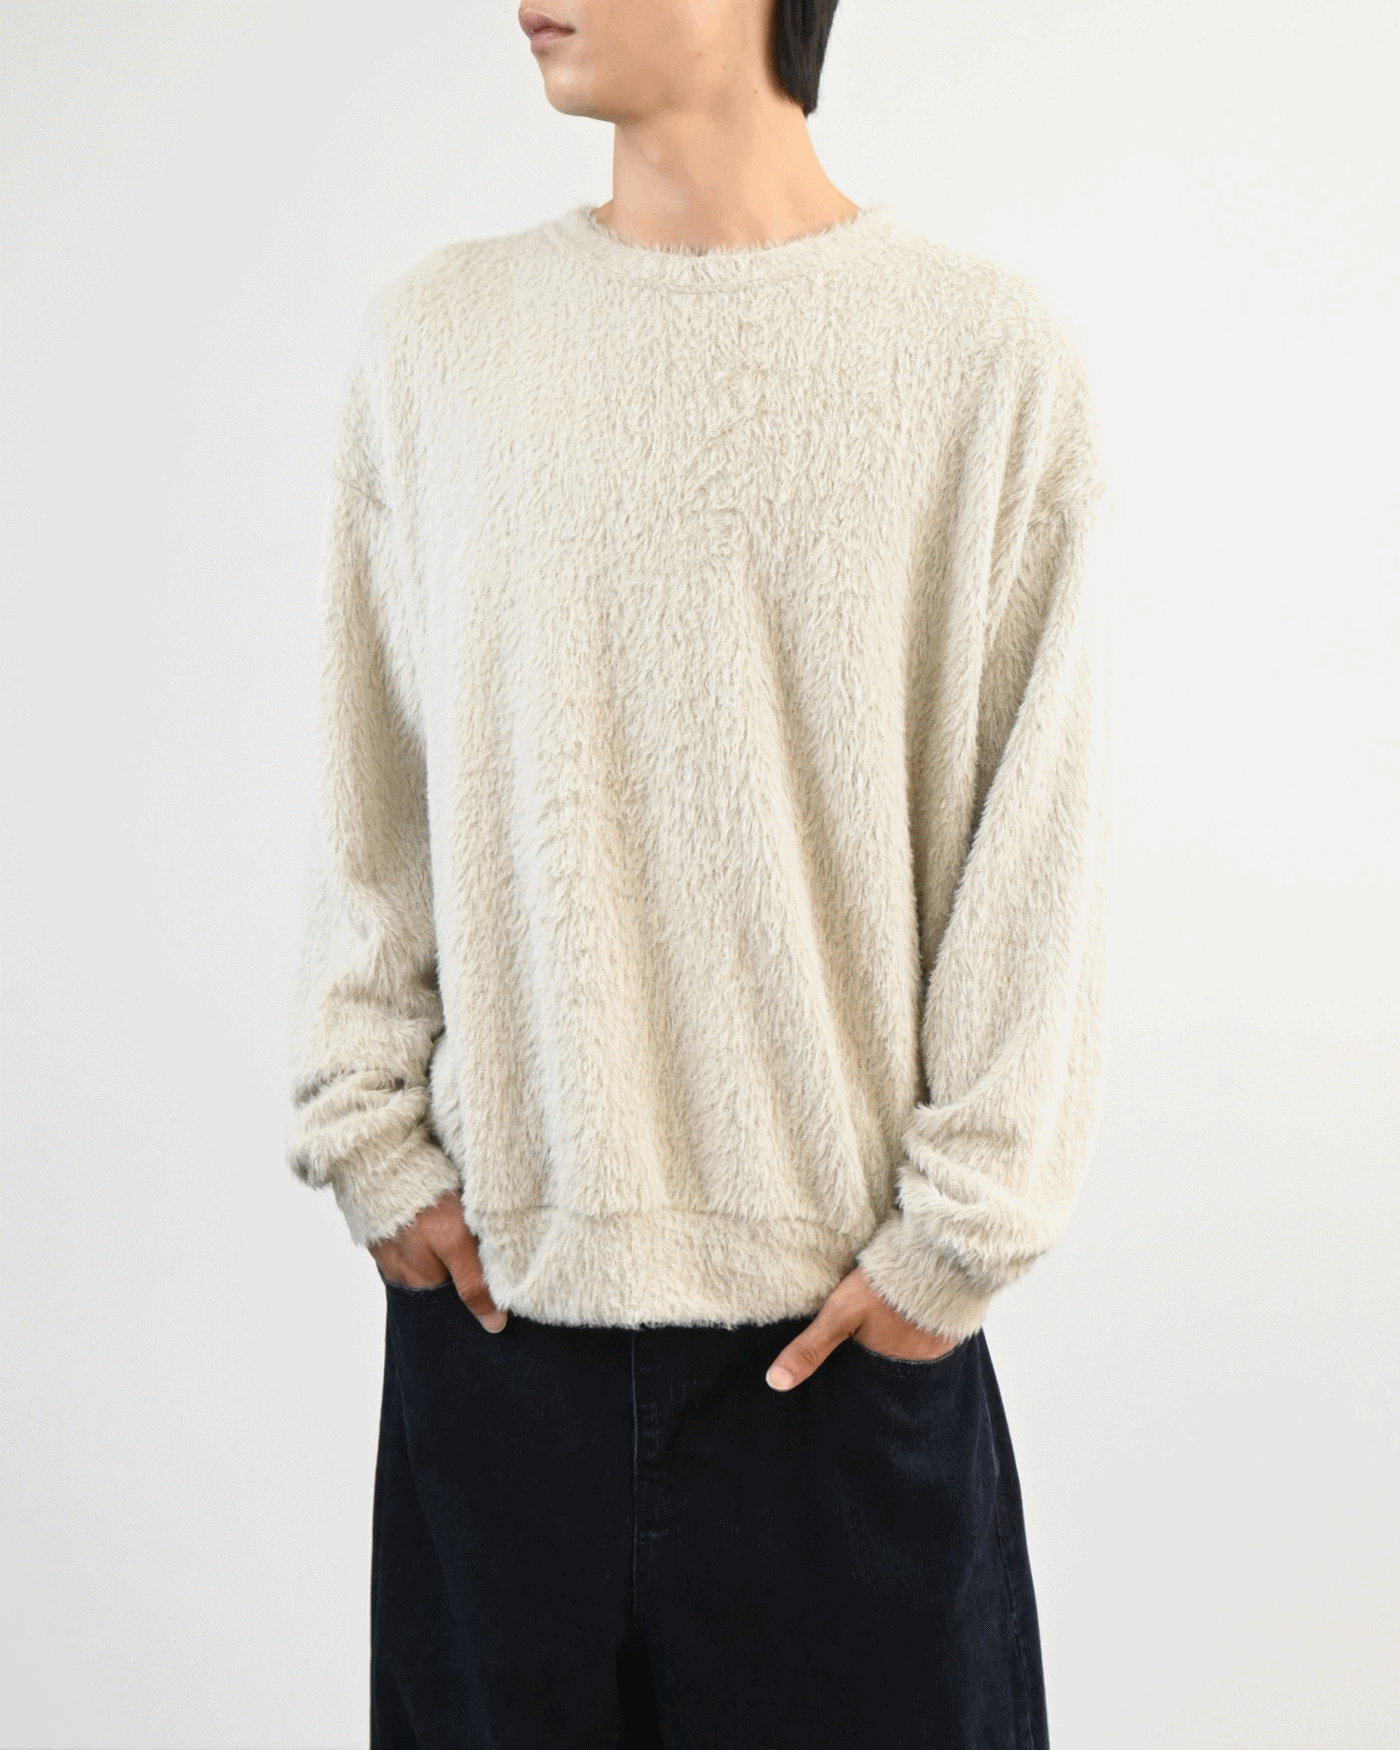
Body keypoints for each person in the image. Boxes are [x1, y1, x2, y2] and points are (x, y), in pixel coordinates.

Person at [285, 1, 1113, 1743]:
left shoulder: (983, 359)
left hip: (839, 1361)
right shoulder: (438, 345)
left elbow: (1036, 842)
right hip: (504, 1352)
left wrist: (957, 1240)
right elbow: (375, 796)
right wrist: (368, 1129)